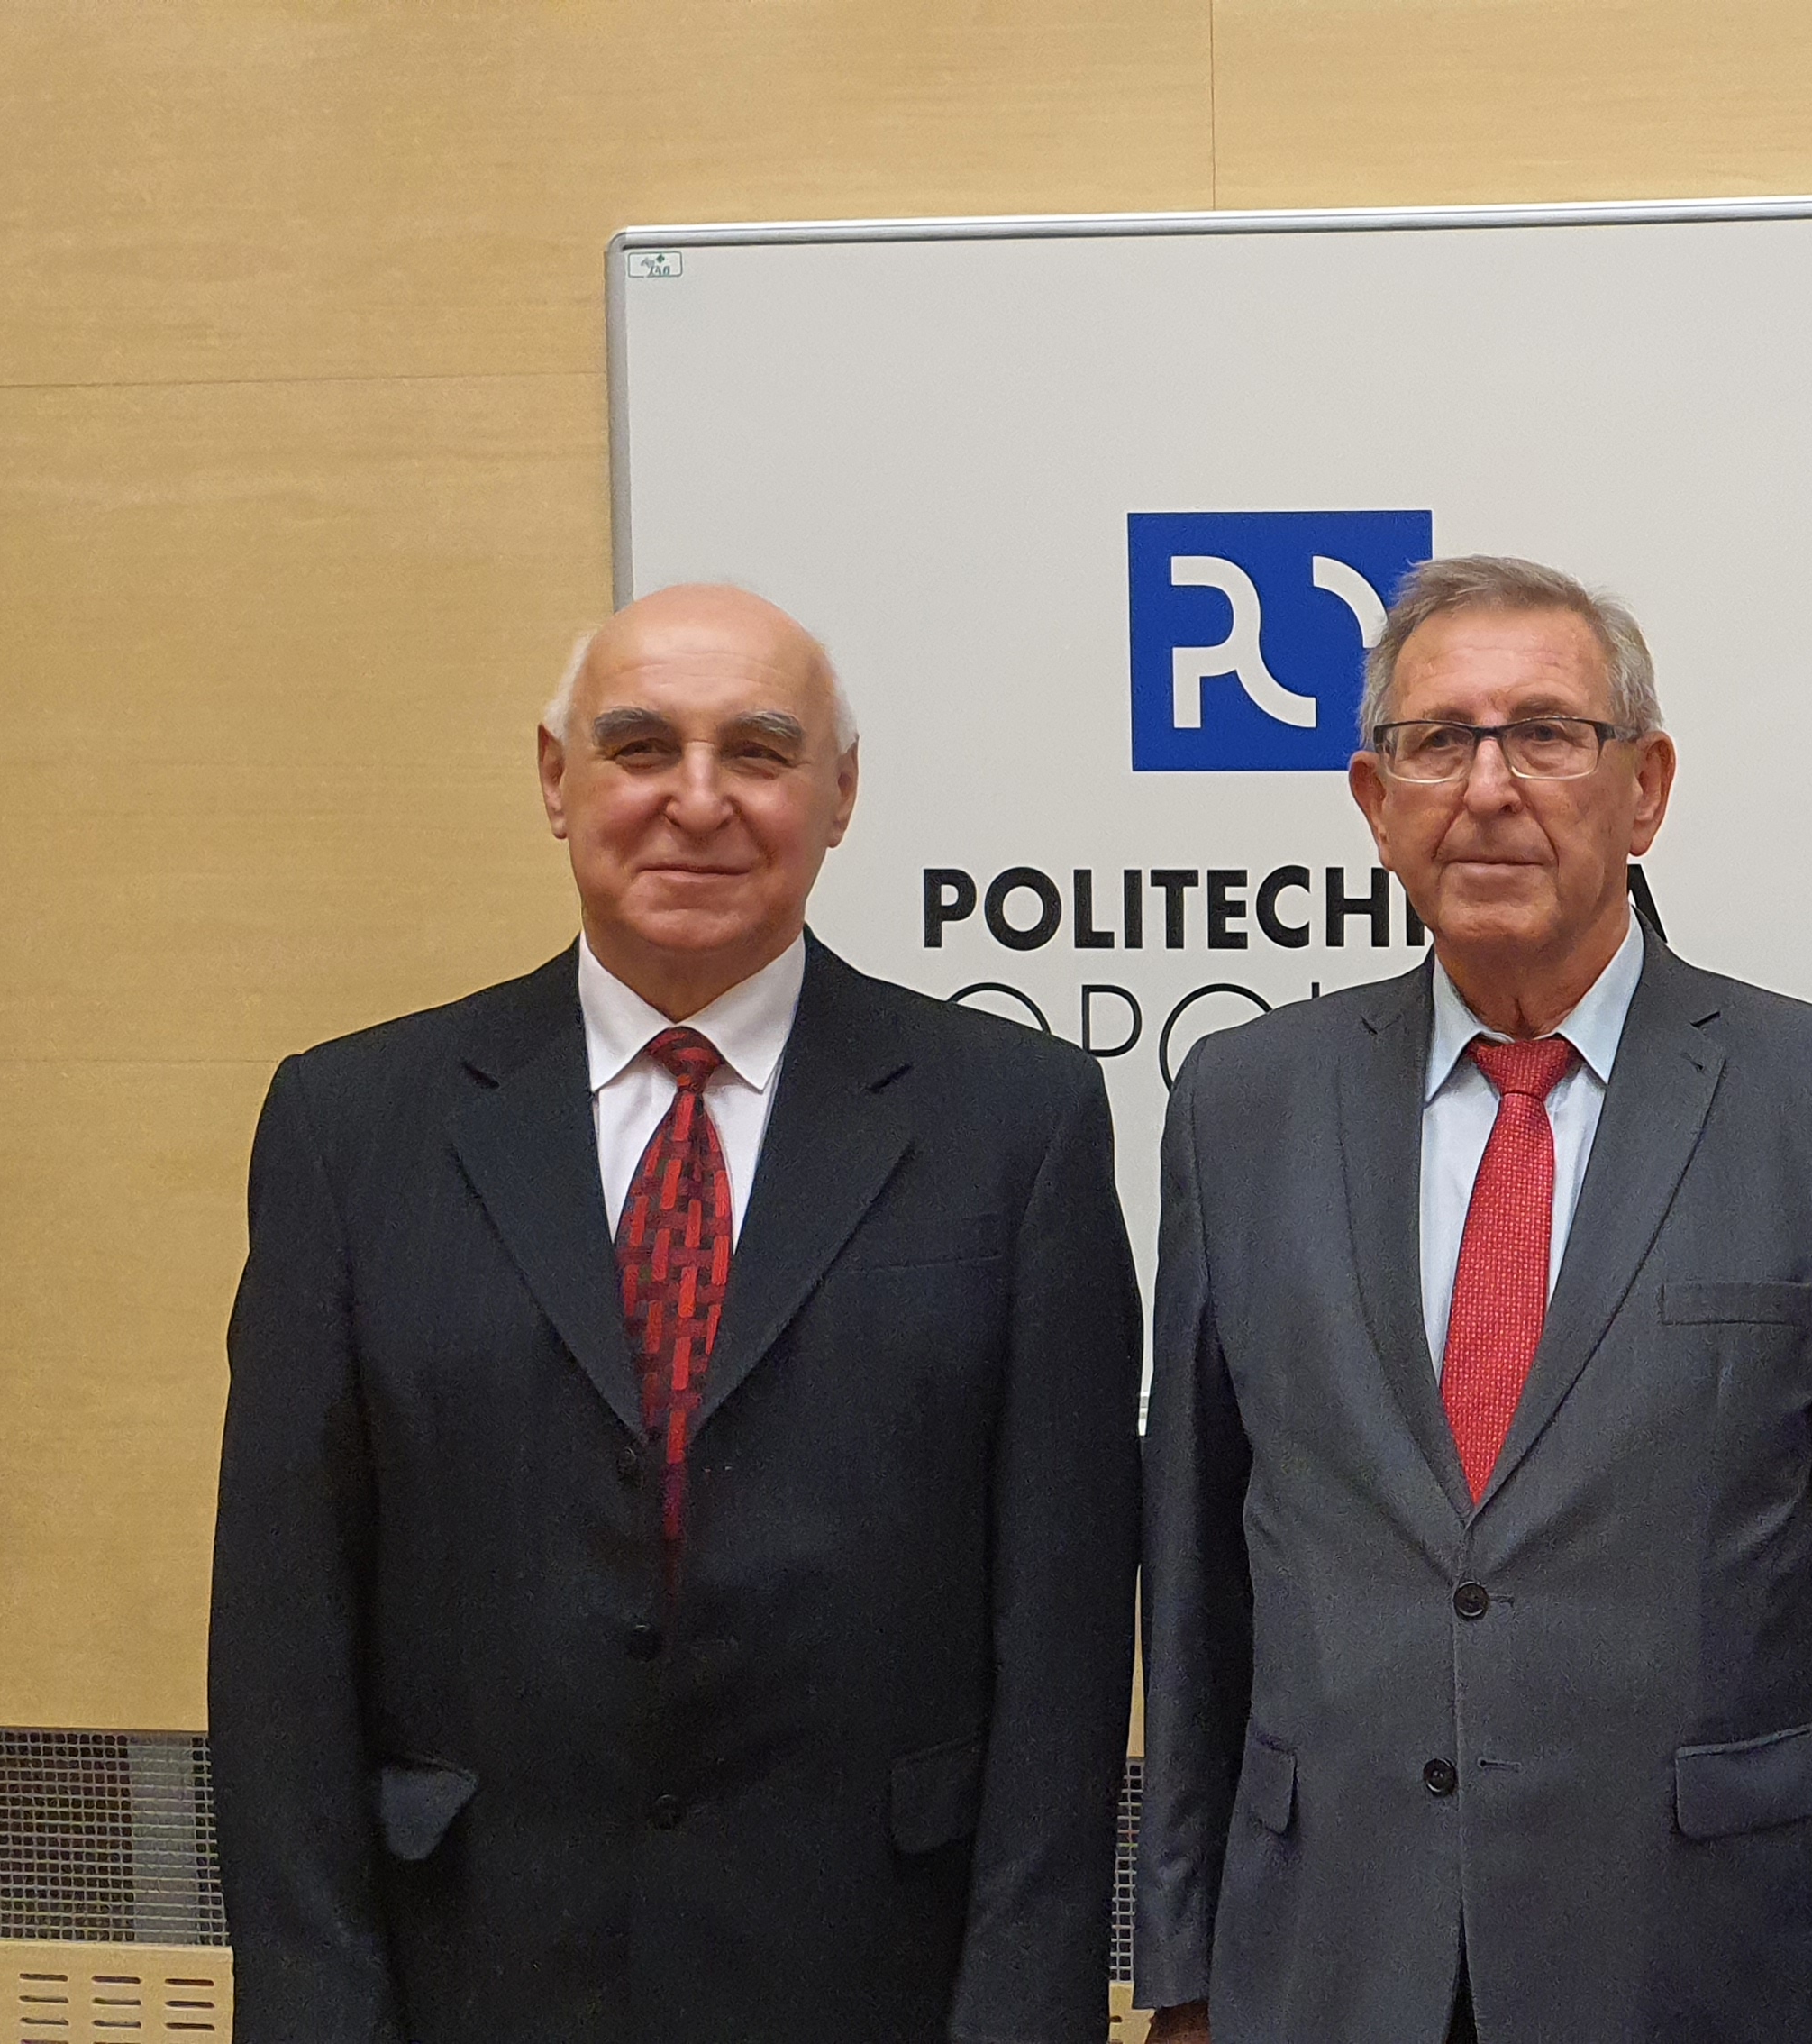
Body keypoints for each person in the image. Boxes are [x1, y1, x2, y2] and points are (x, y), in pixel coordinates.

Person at [209, 584, 1142, 2044]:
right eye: (641, 747)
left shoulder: (1016, 1125)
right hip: (472, 1979)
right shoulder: (351, 1125)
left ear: (841, 794)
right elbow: (282, 1637)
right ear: (555, 779)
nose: (696, 802)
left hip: (871, 1982)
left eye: (758, 753)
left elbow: (1067, 1650)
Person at [1134, 555, 1812, 2044]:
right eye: (1438, 742)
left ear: (1644, 790)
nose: (1488, 787)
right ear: (1374, 801)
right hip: (1329, 1958)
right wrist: (1184, 1968)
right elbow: (1195, 1579)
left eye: (1545, 734)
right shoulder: (1241, 1106)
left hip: (1697, 1962)